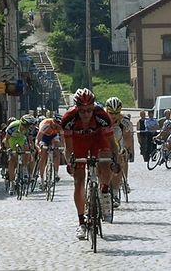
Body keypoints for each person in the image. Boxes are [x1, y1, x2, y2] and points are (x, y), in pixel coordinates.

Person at [61, 88, 119, 240]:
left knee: (105, 161)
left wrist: (115, 161)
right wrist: (70, 162)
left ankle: (104, 191)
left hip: (97, 139)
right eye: (82, 111)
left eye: (89, 110)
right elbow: (68, 148)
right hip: (77, 142)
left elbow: (113, 145)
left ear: (93, 107)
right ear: (76, 109)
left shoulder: (102, 116)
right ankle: (81, 222)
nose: (86, 114)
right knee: (78, 180)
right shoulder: (68, 119)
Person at [105, 97, 133, 208]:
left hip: (117, 140)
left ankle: (115, 193)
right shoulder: (100, 117)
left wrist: (125, 149)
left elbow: (127, 137)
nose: (113, 116)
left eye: (116, 113)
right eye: (111, 113)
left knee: (118, 162)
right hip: (104, 140)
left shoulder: (124, 120)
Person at [4, 115, 36, 195]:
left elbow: (30, 140)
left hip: (21, 138)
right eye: (25, 126)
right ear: (21, 124)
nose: (26, 128)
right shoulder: (13, 126)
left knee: (27, 150)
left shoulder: (29, 129)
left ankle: (25, 168)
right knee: (12, 160)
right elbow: (6, 139)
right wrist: (9, 148)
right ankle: (11, 183)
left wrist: (32, 148)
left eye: (28, 127)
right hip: (12, 139)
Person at [35, 114, 64, 189]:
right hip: (44, 136)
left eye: (58, 126)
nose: (57, 127)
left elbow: (62, 140)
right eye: (56, 126)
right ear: (53, 122)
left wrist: (62, 148)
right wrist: (38, 148)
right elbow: (38, 139)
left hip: (53, 136)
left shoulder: (60, 127)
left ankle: (56, 173)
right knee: (43, 155)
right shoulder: (46, 124)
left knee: (57, 150)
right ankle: (41, 178)